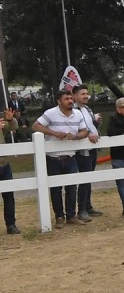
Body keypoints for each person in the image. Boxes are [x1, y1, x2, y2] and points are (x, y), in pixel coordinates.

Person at [33, 88, 91, 228]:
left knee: (72, 187)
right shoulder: (51, 113)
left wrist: (75, 136)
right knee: (55, 189)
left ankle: (71, 216)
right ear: (59, 101)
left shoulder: (77, 114)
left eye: (71, 98)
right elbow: (36, 126)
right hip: (53, 158)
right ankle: (59, 216)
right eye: (67, 99)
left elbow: (84, 131)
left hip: (70, 156)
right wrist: (53, 133)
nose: (70, 101)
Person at [72, 85, 103, 220]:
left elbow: (90, 126)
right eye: (82, 94)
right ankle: (82, 209)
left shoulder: (88, 109)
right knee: (84, 179)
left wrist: (96, 123)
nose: (86, 96)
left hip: (92, 148)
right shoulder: (73, 110)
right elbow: (76, 129)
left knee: (89, 179)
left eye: (87, 94)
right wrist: (88, 134)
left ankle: (88, 206)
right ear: (75, 96)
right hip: (82, 149)